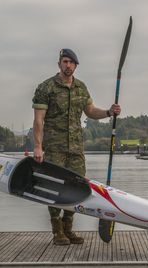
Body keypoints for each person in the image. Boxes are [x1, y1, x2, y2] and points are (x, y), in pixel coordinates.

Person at [32, 48, 121, 245]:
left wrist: (108, 112)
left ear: (76, 66)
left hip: (76, 149)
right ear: (59, 64)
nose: (68, 65)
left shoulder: (81, 88)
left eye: (71, 62)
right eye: (65, 61)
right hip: (54, 148)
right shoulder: (46, 88)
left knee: (77, 187)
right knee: (54, 187)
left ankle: (68, 228)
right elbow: (38, 121)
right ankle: (57, 232)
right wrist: (38, 147)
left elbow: (90, 111)